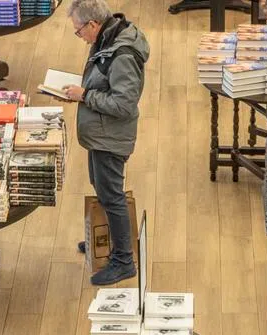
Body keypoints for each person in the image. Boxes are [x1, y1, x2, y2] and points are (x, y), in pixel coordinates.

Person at [62, 0, 150, 286]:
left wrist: (84, 95)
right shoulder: (108, 37)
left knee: (112, 195)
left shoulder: (121, 54)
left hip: (110, 136)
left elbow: (124, 104)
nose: (79, 37)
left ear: (93, 24)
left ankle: (123, 260)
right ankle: (107, 239)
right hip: (100, 132)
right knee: (101, 186)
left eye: (78, 31)